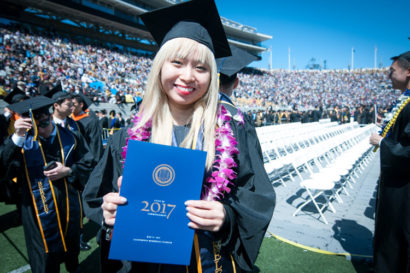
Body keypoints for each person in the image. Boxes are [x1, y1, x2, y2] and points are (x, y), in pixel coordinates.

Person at [82, 0, 275, 272]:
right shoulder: (126, 138)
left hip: (211, 262)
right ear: (160, 66)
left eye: (201, 67)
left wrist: (227, 216)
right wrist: (108, 210)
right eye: (177, 62)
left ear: (212, 76)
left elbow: (258, 197)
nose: (188, 76)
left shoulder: (234, 133)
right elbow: (96, 197)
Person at [0, 96, 93, 273]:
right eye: (35, 124)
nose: (41, 129)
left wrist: (69, 171)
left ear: (50, 117)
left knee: (71, 248)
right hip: (37, 210)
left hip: (68, 204)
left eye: (44, 123)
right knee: (44, 258)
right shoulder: (22, 142)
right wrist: (17, 136)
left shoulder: (71, 137)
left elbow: (89, 165)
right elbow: (3, 167)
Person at [369, 51, 410, 273]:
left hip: (404, 187)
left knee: (398, 230)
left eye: (392, 71)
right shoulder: (405, 100)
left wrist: (383, 142)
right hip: (396, 181)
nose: (388, 75)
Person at [72, 92, 103, 164]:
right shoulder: (69, 120)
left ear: (81, 105)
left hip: (86, 159)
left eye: (73, 104)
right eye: (70, 104)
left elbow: (95, 144)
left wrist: (94, 162)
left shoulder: (90, 121)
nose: (71, 106)